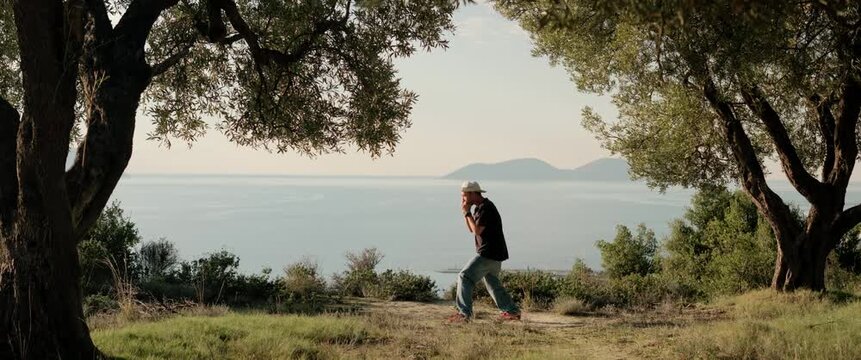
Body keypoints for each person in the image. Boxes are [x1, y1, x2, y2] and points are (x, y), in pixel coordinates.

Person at [447, 181, 521, 323]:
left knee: (464, 277)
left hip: (488, 253)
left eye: (464, 196)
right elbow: (471, 229)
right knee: (492, 283)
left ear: (472, 193)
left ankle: (464, 314)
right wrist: (466, 213)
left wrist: (467, 212)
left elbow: (477, 230)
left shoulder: (486, 208)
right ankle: (512, 311)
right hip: (496, 253)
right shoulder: (481, 207)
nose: (462, 199)